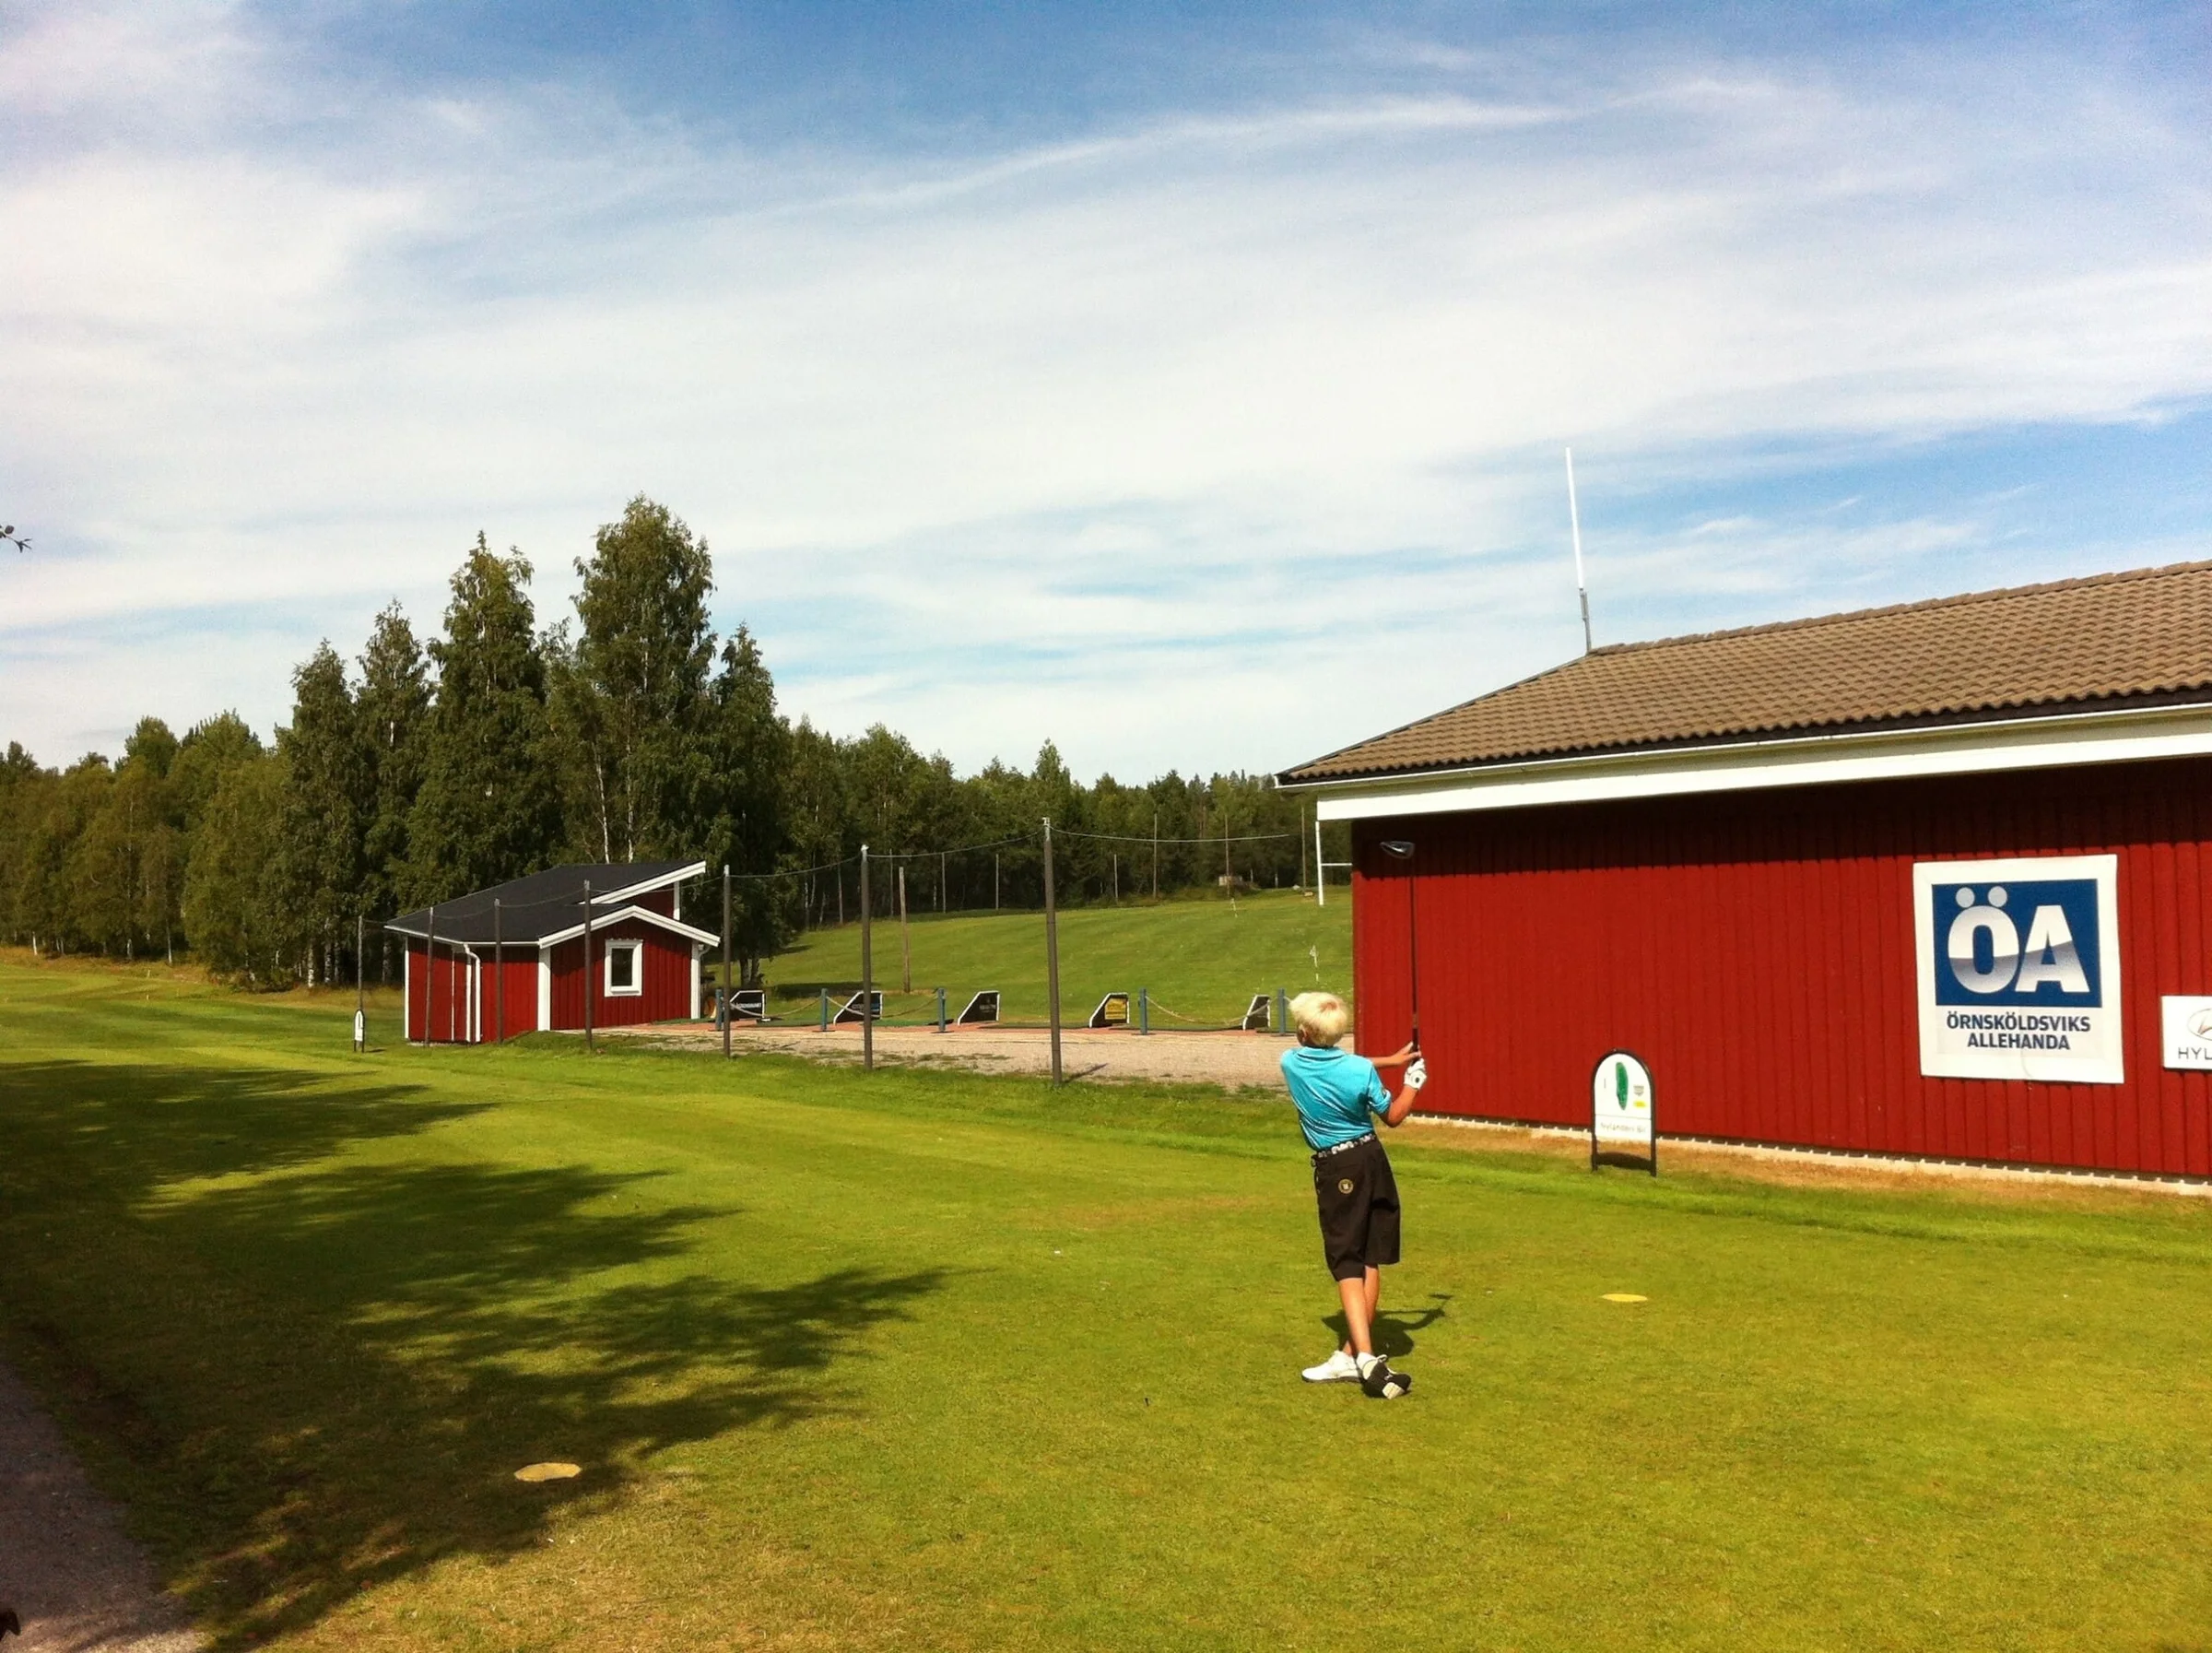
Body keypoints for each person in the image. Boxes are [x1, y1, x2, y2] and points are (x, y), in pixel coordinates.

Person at [1279, 990, 1424, 1399]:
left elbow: (1334, 1063)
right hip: (1372, 1159)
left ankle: (1364, 1360)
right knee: (1369, 1256)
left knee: (1346, 1262)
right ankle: (1351, 1355)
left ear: (1305, 1033)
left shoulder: (1290, 1062)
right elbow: (1393, 1116)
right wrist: (1412, 1082)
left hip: (1337, 1169)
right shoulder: (1359, 1070)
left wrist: (1391, 1063)